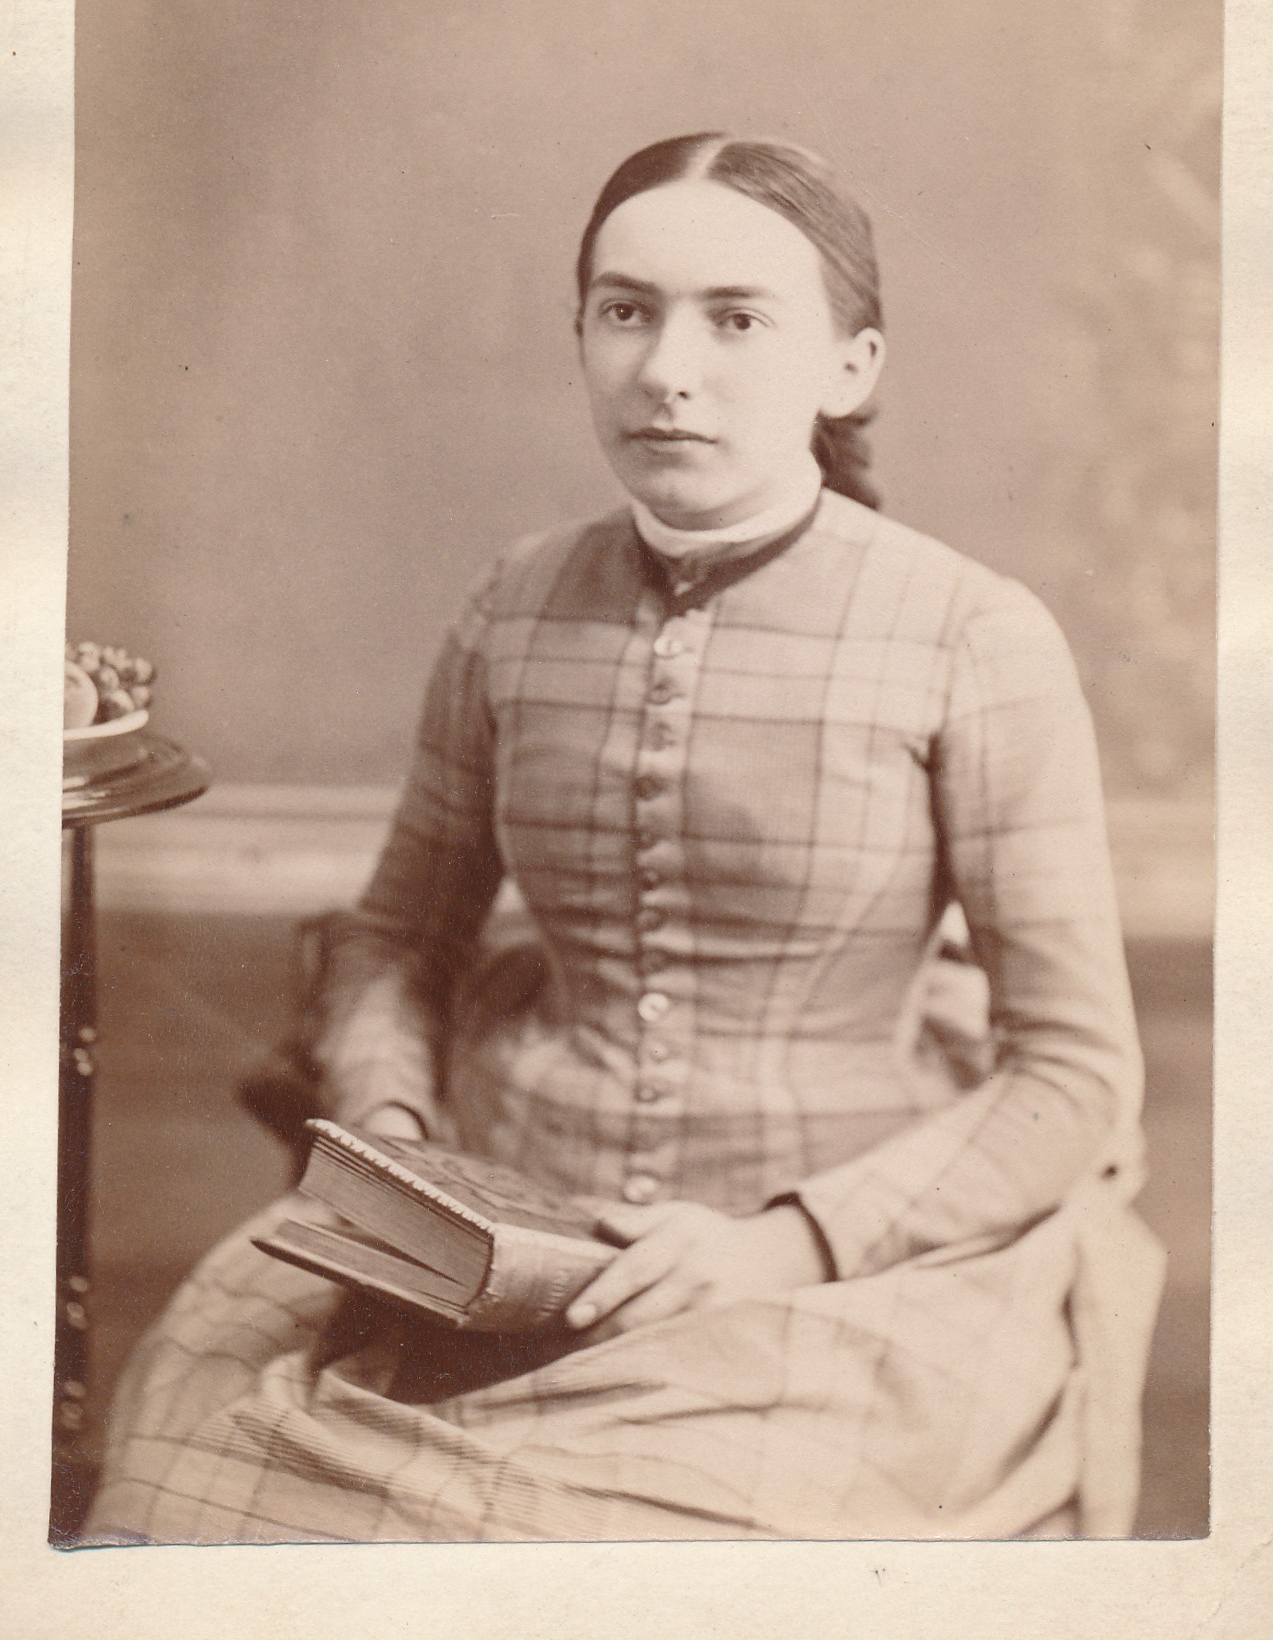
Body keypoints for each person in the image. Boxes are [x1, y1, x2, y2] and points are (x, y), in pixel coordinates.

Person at [85, 133, 1164, 1544]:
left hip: (833, 1275)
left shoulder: (974, 636)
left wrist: (785, 1242)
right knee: (191, 1475)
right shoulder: (514, 605)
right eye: (626, 310)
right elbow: (395, 939)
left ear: (849, 367)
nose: (666, 369)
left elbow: (1077, 1071)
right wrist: (398, 1151)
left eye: (736, 319)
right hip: (497, 1238)